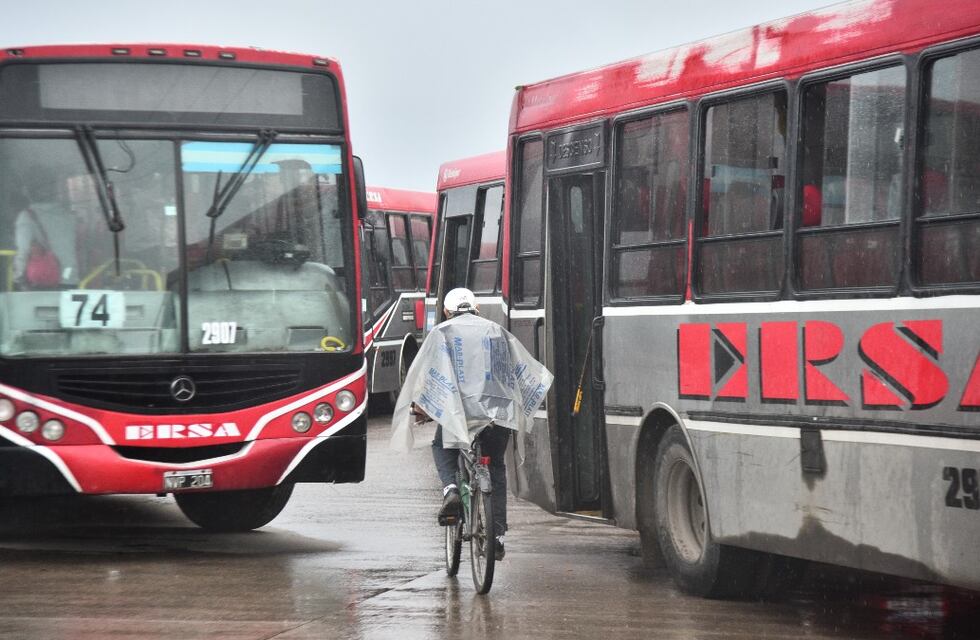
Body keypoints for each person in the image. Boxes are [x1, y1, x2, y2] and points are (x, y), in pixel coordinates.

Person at [396, 287, 552, 562]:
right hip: (496, 415)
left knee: (441, 446)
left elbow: (427, 375)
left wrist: (422, 407)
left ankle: (451, 490)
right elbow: (514, 372)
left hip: (460, 415)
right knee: (496, 467)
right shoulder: (495, 331)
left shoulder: (441, 334)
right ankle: (498, 535)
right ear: (476, 309)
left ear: (446, 311)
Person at [13, 166, 80, 289]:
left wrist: (17, 279)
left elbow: (23, 251)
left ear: (29, 190)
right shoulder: (69, 216)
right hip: (70, 280)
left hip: (42, 283)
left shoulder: (27, 217)